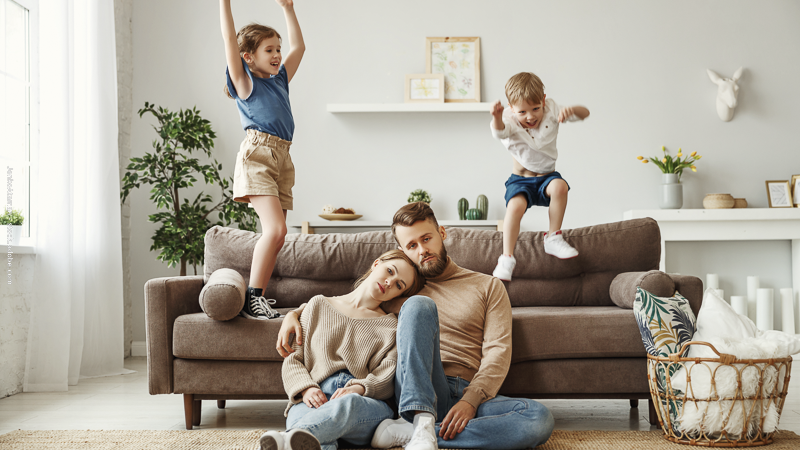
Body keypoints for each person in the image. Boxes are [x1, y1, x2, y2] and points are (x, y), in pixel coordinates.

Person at [277, 203, 555, 450]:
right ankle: (420, 419)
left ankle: (416, 432)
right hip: (413, 387)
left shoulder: (488, 286)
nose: (422, 250)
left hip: (463, 390)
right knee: (419, 305)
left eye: (427, 239)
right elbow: (348, 308)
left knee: (537, 419)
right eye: (411, 246)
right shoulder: (401, 289)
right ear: (402, 251)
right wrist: (295, 313)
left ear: (442, 233)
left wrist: (471, 400)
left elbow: (497, 352)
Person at [259, 250, 425, 450]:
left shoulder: (391, 327)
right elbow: (293, 359)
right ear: (376, 264)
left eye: (399, 285)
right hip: (313, 395)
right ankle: (292, 441)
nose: (390, 282)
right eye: (390, 271)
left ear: (399, 294)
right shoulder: (317, 305)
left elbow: (387, 376)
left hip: (362, 403)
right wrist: (306, 388)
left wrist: (359, 388)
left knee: (344, 407)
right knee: (314, 442)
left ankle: (283, 442)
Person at [219, 0, 305, 319]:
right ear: (248, 57)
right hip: (258, 156)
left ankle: (258, 297)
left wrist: (288, 8)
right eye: (269, 50)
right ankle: (252, 297)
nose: (277, 54)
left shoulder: (279, 80)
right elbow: (229, 39)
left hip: (282, 157)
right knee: (276, 230)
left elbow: (300, 47)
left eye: (278, 49)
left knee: (279, 236)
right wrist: (225, 3)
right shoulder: (245, 84)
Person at [490, 72, 590, 281]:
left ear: (543, 100)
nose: (530, 117)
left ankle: (553, 237)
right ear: (511, 107)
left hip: (546, 177)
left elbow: (585, 113)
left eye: (536, 108)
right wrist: (497, 117)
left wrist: (572, 110)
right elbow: (499, 132)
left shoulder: (552, 109)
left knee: (560, 187)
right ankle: (506, 258)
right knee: (515, 207)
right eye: (522, 112)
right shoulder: (508, 119)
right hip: (521, 180)